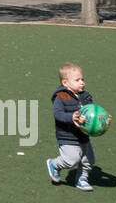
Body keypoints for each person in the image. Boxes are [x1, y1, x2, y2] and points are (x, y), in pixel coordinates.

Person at [47, 63, 111, 192]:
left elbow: (94, 111)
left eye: (82, 79)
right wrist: (72, 117)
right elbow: (58, 114)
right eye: (77, 80)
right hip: (67, 136)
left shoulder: (85, 96)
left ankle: (82, 179)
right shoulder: (61, 97)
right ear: (65, 83)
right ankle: (54, 164)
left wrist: (103, 119)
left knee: (89, 160)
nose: (82, 82)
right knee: (71, 160)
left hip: (83, 135)